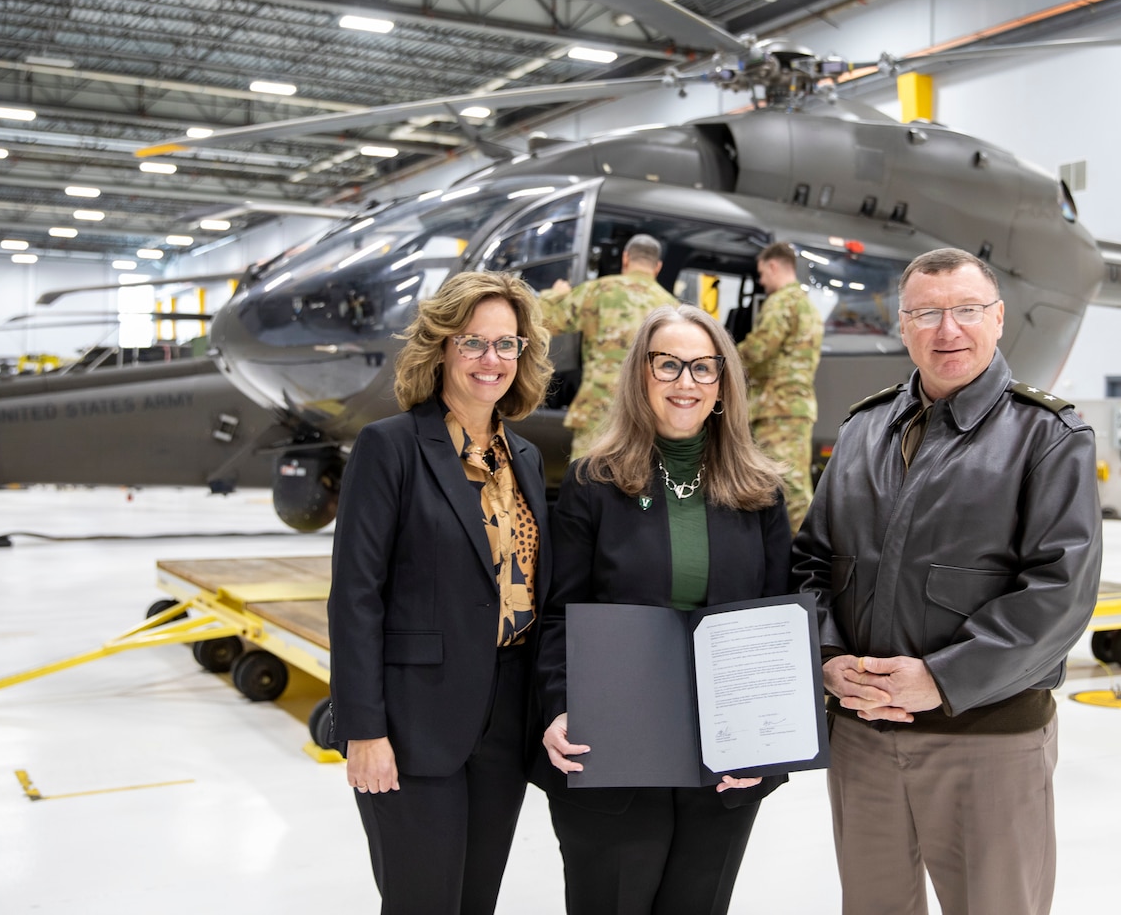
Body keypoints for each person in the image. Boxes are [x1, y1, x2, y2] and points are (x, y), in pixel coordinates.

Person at [794, 247, 1101, 915]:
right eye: (926, 313)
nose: (947, 330)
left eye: (965, 310)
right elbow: (813, 561)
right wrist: (826, 658)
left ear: (997, 319)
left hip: (986, 742)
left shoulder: (1047, 435)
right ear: (902, 326)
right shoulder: (860, 431)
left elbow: (1061, 593)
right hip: (865, 740)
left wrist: (940, 679)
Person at [536, 304, 794, 915]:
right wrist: (557, 708)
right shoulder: (592, 483)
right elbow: (558, 614)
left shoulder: (760, 492)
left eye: (704, 368)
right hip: (615, 749)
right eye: (669, 365)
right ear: (640, 377)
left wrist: (768, 740)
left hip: (726, 761)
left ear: (723, 384)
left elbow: (779, 623)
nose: (687, 382)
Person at [328, 271, 555, 915]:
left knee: (477, 900)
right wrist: (363, 731)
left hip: (507, 716)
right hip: (412, 720)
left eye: (507, 345)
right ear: (441, 349)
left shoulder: (527, 460)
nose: (492, 360)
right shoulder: (390, 448)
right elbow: (355, 598)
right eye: (474, 342)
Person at [540, 233, 677, 458]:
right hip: (644, 417)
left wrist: (555, 295)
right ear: (657, 266)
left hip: (596, 412)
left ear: (625, 258)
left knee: (584, 482)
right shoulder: (671, 308)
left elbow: (544, 319)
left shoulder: (597, 292)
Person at [738, 240, 824, 532]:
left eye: (762, 273)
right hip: (794, 405)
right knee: (791, 480)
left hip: (777, 407)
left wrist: (720, 359)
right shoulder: (807, 306)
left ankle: (805, 554)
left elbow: (760, 349)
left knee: (786, 484)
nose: (761, 281)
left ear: (774, 266)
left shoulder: (781, 302)